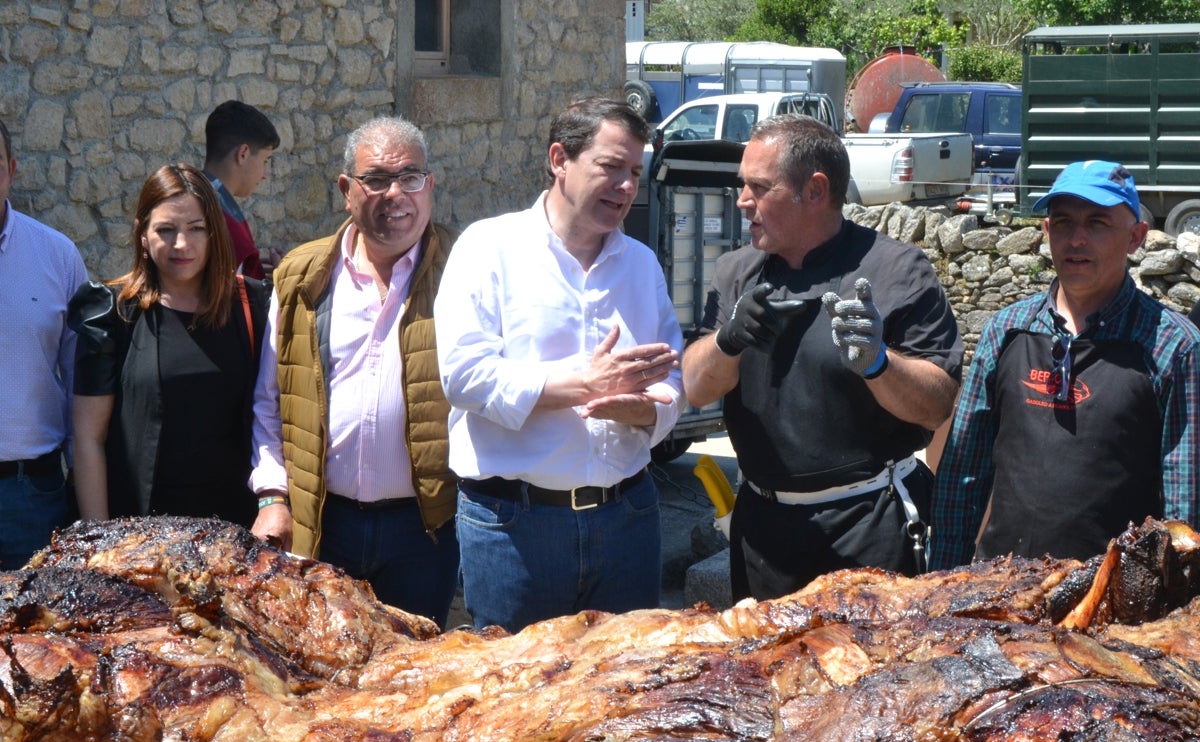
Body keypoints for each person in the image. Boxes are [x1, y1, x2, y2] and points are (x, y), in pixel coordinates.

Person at [680, 114, 962, 601]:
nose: (742, 200)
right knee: (766, 675)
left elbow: (938, 405)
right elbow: (696, 387)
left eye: (758, 187)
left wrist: (879, 363)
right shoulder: (734, 272)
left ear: (814, 190)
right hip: (764, 531)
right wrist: (728, 340)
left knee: (876, 674)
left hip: (870, 523)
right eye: (741, 186)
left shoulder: (895, 269)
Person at [435, 97, 684, 633]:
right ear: (559, 159)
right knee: (516, 703)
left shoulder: (640, 264)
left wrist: (643, 412)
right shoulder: (488, 248)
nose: (625, 187)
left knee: (628, 696)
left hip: (628, 520)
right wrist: (581, 385)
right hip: (515, 527)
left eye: (635, 173)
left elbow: (673, 378)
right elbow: (464, 375)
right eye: (610, 168)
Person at [930, 160, 1200, 568]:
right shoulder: (1007, 330)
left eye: (1096, 223)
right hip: (999, 594)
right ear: (1046, 231)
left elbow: (1184, 507)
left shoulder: (1173, 347)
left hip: (1110, 605)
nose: (1076, 239)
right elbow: (962, 473)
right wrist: (942, 583)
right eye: (1062, 222)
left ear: (1136, 237)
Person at [248, 116, 461, 629]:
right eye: (377, 179)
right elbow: (270, 402)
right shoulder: (302, 276)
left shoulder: (464, 271)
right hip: (324, 524)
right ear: (347, 189)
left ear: (429, 187)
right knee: (324, 679)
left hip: (424, 531)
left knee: (413, 679)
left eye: (411, 177)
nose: (396, 194)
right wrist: (273, 496)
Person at [68, 163, 268, 527]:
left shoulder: (253, 305)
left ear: (214, 234)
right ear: (142, 235)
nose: (182, 244)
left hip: (235, 532)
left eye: (196, 229)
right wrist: (97, 542)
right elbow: (88, 438)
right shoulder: (111, 312)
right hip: (137, 537)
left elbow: (272, 420)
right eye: (166, 229)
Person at [0, 118, 89, 569]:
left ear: (11, 170)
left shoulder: (56, 256)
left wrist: (82, 480)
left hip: (31, 495)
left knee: (34, 635)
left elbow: (81, 376)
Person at [203, 100, 281, 280]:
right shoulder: (222, 219)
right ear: (243, 153)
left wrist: (250, 271)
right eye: (265, 161)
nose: (264, 175)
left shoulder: (194, 194)